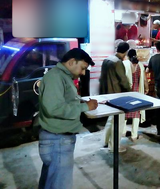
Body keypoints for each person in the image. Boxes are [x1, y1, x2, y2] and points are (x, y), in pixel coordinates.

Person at [38, 48, 98, 189]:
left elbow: (61, 102)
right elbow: (54, 108)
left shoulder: (62, 77)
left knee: (50, 182)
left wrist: (79, 103)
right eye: (82, 68)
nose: (83, 73)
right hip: (57, 140)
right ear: (71, 62)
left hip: (58, 140)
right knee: (59, 184)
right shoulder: (55, 77)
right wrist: (85, 107)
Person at [100, 42, 131, 152]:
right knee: (119, 121)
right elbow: (123, 80)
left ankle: (104, 141)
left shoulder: (107, 59)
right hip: (117, 95)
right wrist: (129, 91)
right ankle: (114, 146)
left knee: (111, 118)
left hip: (106, 94)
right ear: (126, 52)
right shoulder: (118, 62)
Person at [123, 49, 149, 141]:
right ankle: (134, 135)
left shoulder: (124, 64)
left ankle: (123, 132)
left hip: (126, 93)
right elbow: (145, 79)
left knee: (124, 112)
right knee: (136, 114)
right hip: (137, 92)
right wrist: (146, 88)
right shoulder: (140, 65)